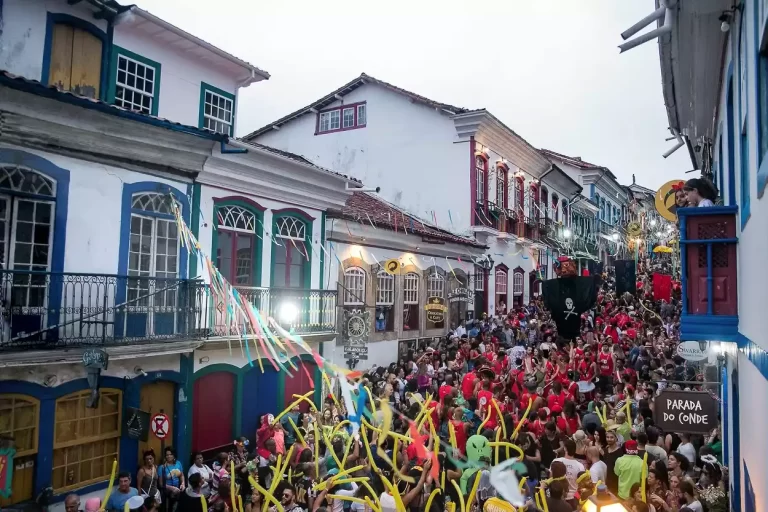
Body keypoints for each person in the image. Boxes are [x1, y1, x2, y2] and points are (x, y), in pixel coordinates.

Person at [551, 439, 585, 503]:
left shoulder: (556, 461)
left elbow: (550, 478)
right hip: (573, 498)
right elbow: (581, 485)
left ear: (565, 448)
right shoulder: (580, 466)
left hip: (557, 498)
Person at [159, 446, 185, 511]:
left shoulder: (178, 463)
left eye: (170, 454)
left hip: (178, 490)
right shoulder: (162, 467)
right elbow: (161, 484)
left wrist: (183, 484)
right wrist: (172, 488)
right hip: (168, 493)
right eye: (167, 455)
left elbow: (181, 475)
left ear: (174, 455)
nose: (169, 456)